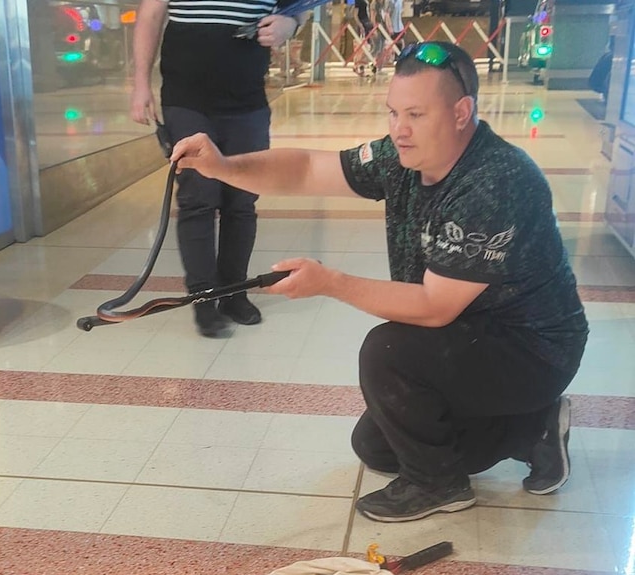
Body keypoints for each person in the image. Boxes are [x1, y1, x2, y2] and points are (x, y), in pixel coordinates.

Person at [170, 41, 589, 522]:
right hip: (471, 338)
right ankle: (532, 428)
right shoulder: (402, 156)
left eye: (415, 114)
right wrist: (223, 167)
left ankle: (440, 485)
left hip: (533, 351)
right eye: (393, 113)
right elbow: (308, 169)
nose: (399, 130)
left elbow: (434, 307)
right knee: (376, 446)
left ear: (461, 112)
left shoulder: (495, 182)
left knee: (389, 352)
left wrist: (330, 282)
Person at [130, 0, 301, 337]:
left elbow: (298, 9)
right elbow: (149, 15)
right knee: (198, 197)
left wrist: (289, 26)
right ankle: (204, 295)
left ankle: (233, 292)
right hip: (186, 97)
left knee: (242, 200)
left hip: (247, 98)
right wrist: (140, 84)